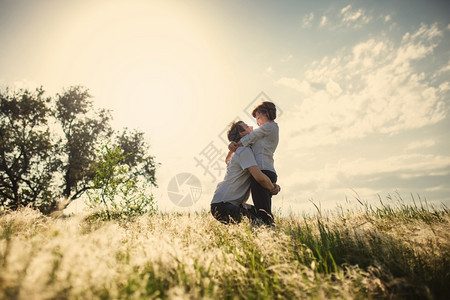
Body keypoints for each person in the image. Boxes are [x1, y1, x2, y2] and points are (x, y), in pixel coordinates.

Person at [211, 121, 280, 224]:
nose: (252, 127)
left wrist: (231, 149)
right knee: (260, 225)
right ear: (241, 133)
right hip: (223, 205)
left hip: (231, 204)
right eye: (247, 127)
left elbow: (228, 159)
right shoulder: (244, 151)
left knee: (264, 217)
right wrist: (273, 188)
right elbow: (259, 177)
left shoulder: (243, 150)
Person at [228, 102, 279, 225]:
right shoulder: (263, 133)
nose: (257, 121)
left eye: (258, 117)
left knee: (263, 211)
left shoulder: (271, 127)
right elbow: (247, 142)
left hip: (263, 172)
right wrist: (231, 149)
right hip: (265, 171)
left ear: (265, 113)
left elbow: (251, 137)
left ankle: (269, 233)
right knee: (264, 207)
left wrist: (236, 145)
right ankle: (269, 232)